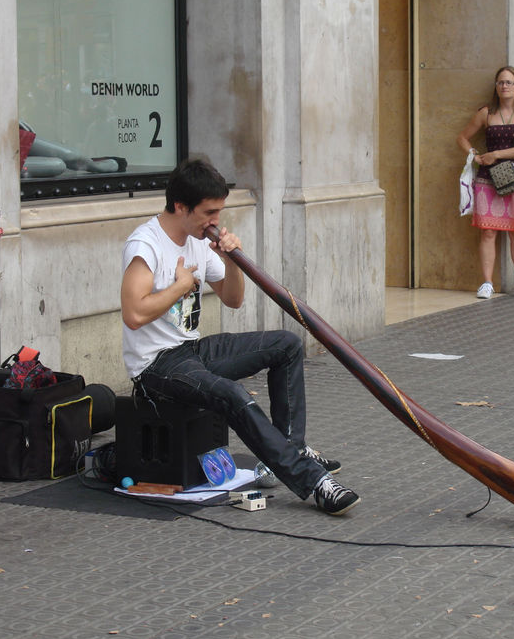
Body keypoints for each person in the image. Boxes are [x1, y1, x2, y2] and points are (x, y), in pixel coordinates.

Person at [120, 158, 360, 515]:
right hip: (155, 366)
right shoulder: (146, 244)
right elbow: (134, 314)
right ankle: (313, 482)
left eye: (219, 211)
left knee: (286, 345)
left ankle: (293, 450)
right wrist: (181, 286)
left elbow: (233, 299)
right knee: (231, 395)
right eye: (209, 212)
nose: (215, 221)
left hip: (190, 350)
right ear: (181, 206)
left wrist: (231, 259)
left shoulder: (198, 239)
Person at [456, 65, 514, 299]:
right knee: (488, 232)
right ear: (496, 87)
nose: (504, 86)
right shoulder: (486, 113)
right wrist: (474, 155)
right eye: (500, 82)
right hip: (488, 179)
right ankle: (487, 283)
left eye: (508, 82)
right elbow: (463, 137)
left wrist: (496, 154)